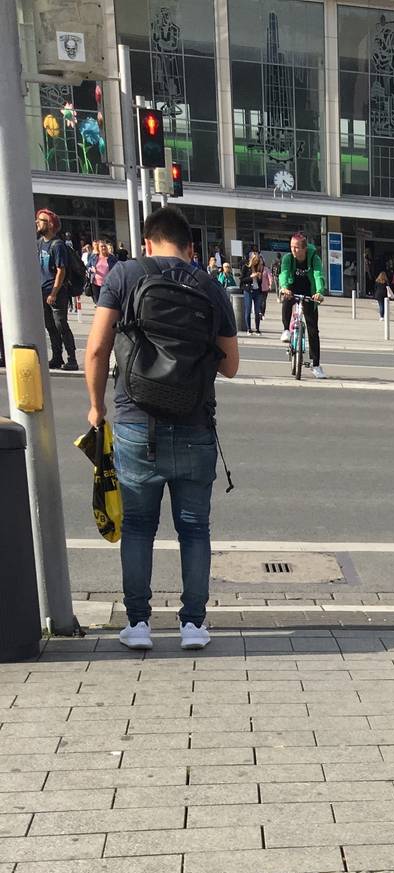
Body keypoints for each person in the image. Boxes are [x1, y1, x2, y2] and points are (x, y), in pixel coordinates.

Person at [84, 204, 239, 652]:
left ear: (148, 242)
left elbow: (96, 350)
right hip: (194, 425)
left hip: (136, 422)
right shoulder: (210, 287)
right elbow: (230, 366)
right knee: (194, 528)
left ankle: (139, 624)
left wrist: (96, 409)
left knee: (137, 527)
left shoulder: (123, 276)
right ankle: (193, 625)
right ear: (191, 248)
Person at [278, 231, 326, 378]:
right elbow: (284, 273)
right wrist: (284, 287)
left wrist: (319, 292)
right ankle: (286, 329)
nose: (293, 250)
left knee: (313, 329)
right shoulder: (288, 258)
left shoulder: (314, 259)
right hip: (292, 287)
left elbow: (318, 275)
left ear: (304, 248)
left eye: (297, 247)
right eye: (292, 246)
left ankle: (316, 365)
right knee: (287, 300)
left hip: (309, 290)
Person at [36, 208, 77, 371]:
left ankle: (72, 359)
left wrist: (54, 292)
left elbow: (62, 270)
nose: (37, 223)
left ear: (51, 224)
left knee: (61, 325)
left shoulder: (57, 245)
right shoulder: (39, 243)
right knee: (50, 326)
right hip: (43, 290)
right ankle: (57, 357)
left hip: (56, 292)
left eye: (41, 220)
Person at [240, 248, 265, 333]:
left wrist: (259, 277)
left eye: (257, 260)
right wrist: (251, 277)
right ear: (251, 259)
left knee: (257, 311)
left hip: (257, 290)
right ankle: (249, 329)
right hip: (248, 290)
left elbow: (260, 282)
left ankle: (257, 329)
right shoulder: (246, 267)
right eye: (255, 260)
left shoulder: (258, 268)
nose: (256, 261)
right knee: (248, 309)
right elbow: (242, 279)